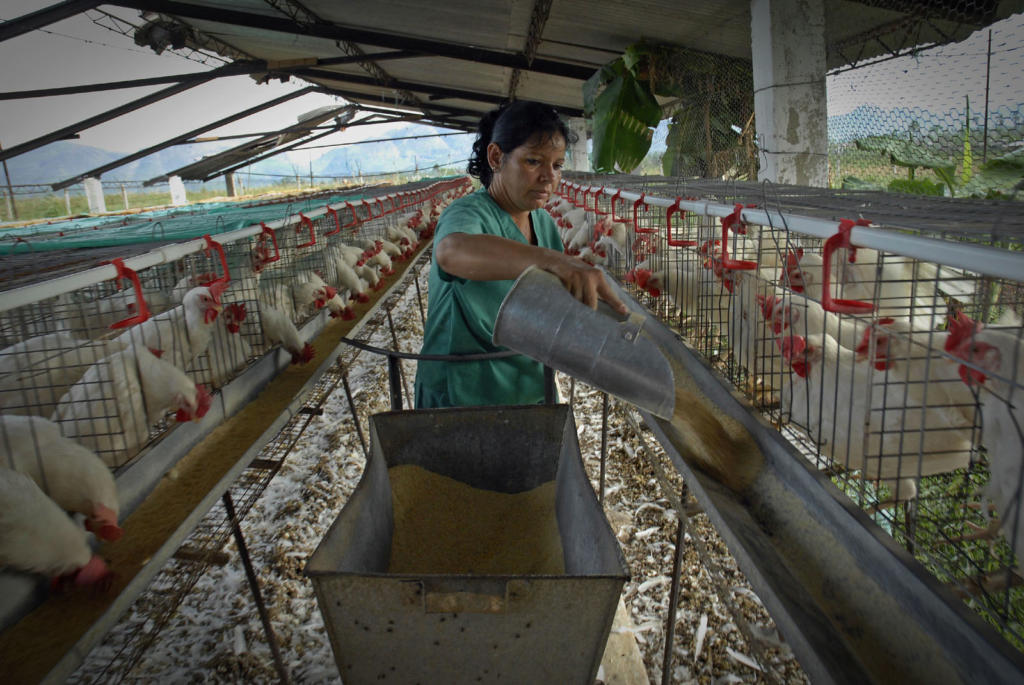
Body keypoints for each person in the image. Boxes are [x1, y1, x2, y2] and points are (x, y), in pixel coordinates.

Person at [413, 100, 627, 409]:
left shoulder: (543, 223)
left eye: (556, 165)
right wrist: (556, 261)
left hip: (527, 385)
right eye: (533, 161)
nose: (548, 177)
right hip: (463, 392)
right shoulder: (468, 213)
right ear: (497, 157)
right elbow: (451, 251)